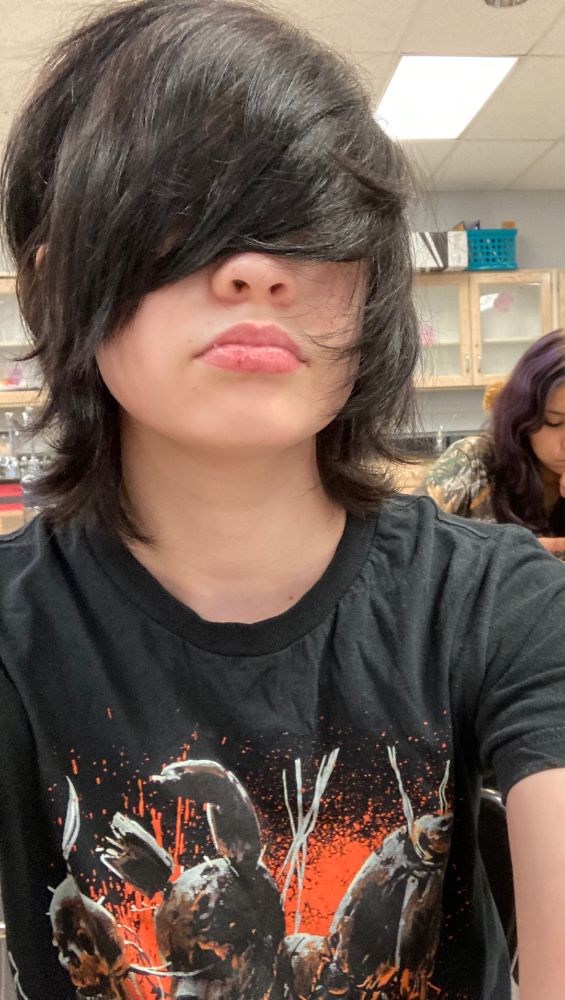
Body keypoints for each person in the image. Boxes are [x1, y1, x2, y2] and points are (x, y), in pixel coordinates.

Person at [0, 2, 564, 999]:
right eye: (178, 221)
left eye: (307, 229)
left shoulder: (495, 604)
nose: (257, 272)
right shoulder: (17, 630)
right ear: (58, 283)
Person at [419, 329, 565, 561]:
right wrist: (503, 556)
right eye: (554, 421)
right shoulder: (473, 461)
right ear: (523, 417)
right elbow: (403, 547)